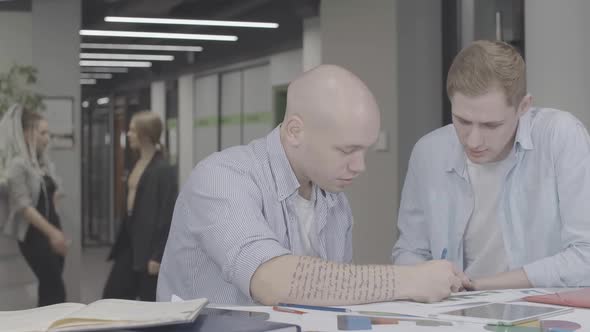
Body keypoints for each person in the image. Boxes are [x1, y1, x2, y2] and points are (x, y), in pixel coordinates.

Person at [157, 64, 469, 306]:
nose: (360, 167)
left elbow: (330, 297)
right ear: (295, 131)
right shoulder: (221, 178)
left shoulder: (334, 202)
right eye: (346, 150)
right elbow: (271, 281)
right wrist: (407, 280)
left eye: (365, 150)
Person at [393, 40, 590, 290]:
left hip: (538, 312)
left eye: (491, 125)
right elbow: (410, 250)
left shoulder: (560, 137)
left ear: (524, 107)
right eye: (462, 121)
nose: (473, 141)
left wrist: (477, 286)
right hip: (453, 314)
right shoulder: (428, 152)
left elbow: (586, 257)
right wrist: (421, 278)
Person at [103, 111, 177, 301]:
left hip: (149, 248)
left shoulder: (163, 170)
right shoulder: (137, 163)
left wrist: (158, 255)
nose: (128, 135)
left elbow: (167, 215)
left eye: (133, 131)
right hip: (130, 243)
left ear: (145, 135)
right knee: (113, 296)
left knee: (147, 302)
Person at [1, 105, 67, 306]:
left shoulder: (40, 163)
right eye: (43, 133)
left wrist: (57, 230)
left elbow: (53, 194)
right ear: (28, 133)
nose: (47, 138)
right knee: (55, 291)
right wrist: (53, 234)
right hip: (35, 236)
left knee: (50, 291)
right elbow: (24, 207)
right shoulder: (17, 165)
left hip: (51, 232)